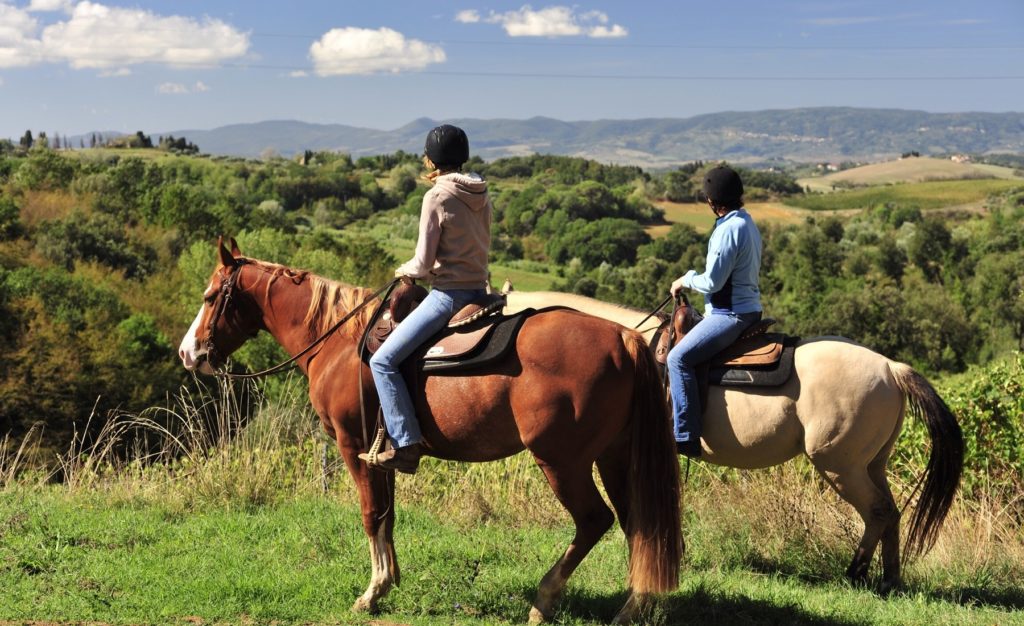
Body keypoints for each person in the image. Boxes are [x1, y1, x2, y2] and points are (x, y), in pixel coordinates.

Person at [358, 124, 493, 474]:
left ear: (432, 159)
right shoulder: (481, 192)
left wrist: (407, 272)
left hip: (448, 295)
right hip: (481, 290)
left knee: (383, 361)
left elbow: (421, 261)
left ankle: (405, 444)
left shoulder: (436, 196)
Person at [667, 165, 763, 458]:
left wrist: (685, 278)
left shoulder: (728, 230)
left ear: (711, 201)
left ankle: (684, 435)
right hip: (746, 309)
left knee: (678, 358)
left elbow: (712, 281)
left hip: (729, 315)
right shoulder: (746, 222)